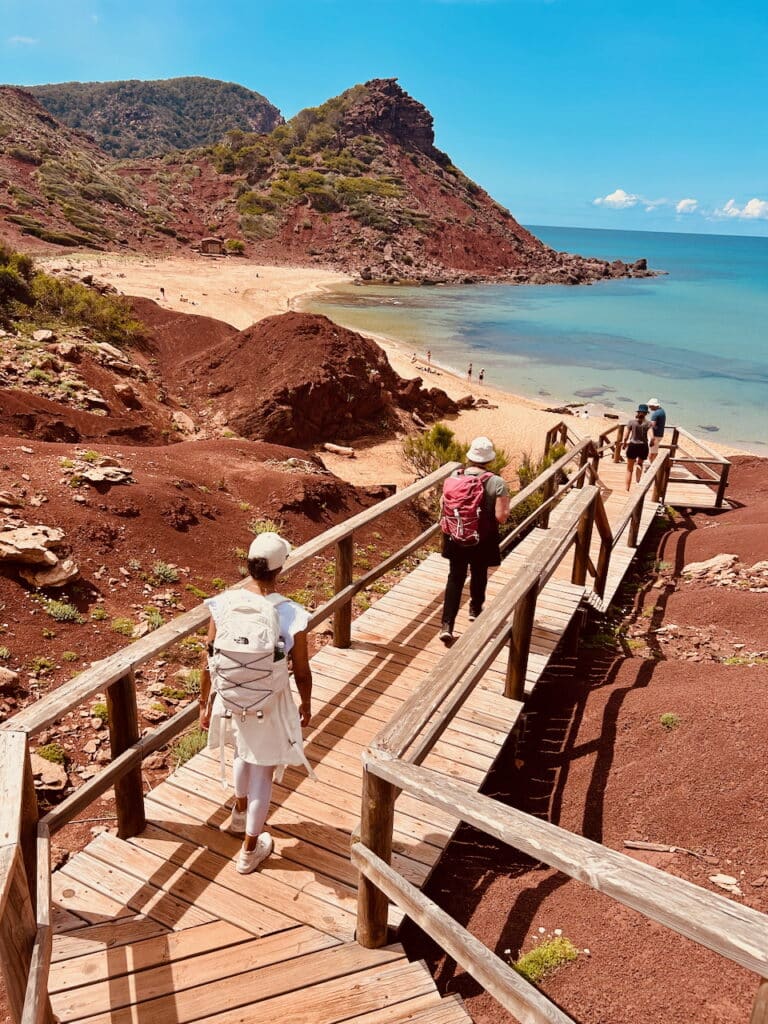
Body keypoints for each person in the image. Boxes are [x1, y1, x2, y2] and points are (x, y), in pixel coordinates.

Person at [199, 532, 313, 874]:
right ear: (280, 569)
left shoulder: (223, 603)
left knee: (241, 752)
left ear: (249, 564)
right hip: (269, 701)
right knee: (263, 769)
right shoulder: (291, 613)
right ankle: (250, 851)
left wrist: (204, 702)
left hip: (231, 696)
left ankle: (238, 813)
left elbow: (208, 657)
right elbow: (301, 670)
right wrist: (306, 703)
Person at [439, 436, 510, 643]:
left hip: (456, 535)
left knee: (455, 577)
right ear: (491, 459)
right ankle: (475, 609)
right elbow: (501, 517)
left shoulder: (455, 476)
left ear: (470, 456)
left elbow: (444, 504)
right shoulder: (497, 482)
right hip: (482, 538)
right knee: (479, 572)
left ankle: (447, 625)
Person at [622, 404, 652, 490]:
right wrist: (652, 442)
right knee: (640, 464)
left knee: (629, 469)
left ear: (638, 412)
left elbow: (625, 436)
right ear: (646, 413)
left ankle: (627, 488)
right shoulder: (648, 423)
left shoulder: (631, 422)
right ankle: (638, 483)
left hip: (633, 446)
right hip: (643, 446)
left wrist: (624, 444)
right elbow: (652, 437)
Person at [647, 398, 666, 462]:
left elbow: (652, 425)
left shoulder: (655, 414)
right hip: (660, 434)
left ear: (654, 405)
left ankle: (652, 466)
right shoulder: (662, 411)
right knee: (654, 451)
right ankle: (653, 465)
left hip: (654, 435)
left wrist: (652, 439)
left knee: (651, 453)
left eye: (650, 406)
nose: (649, 407)